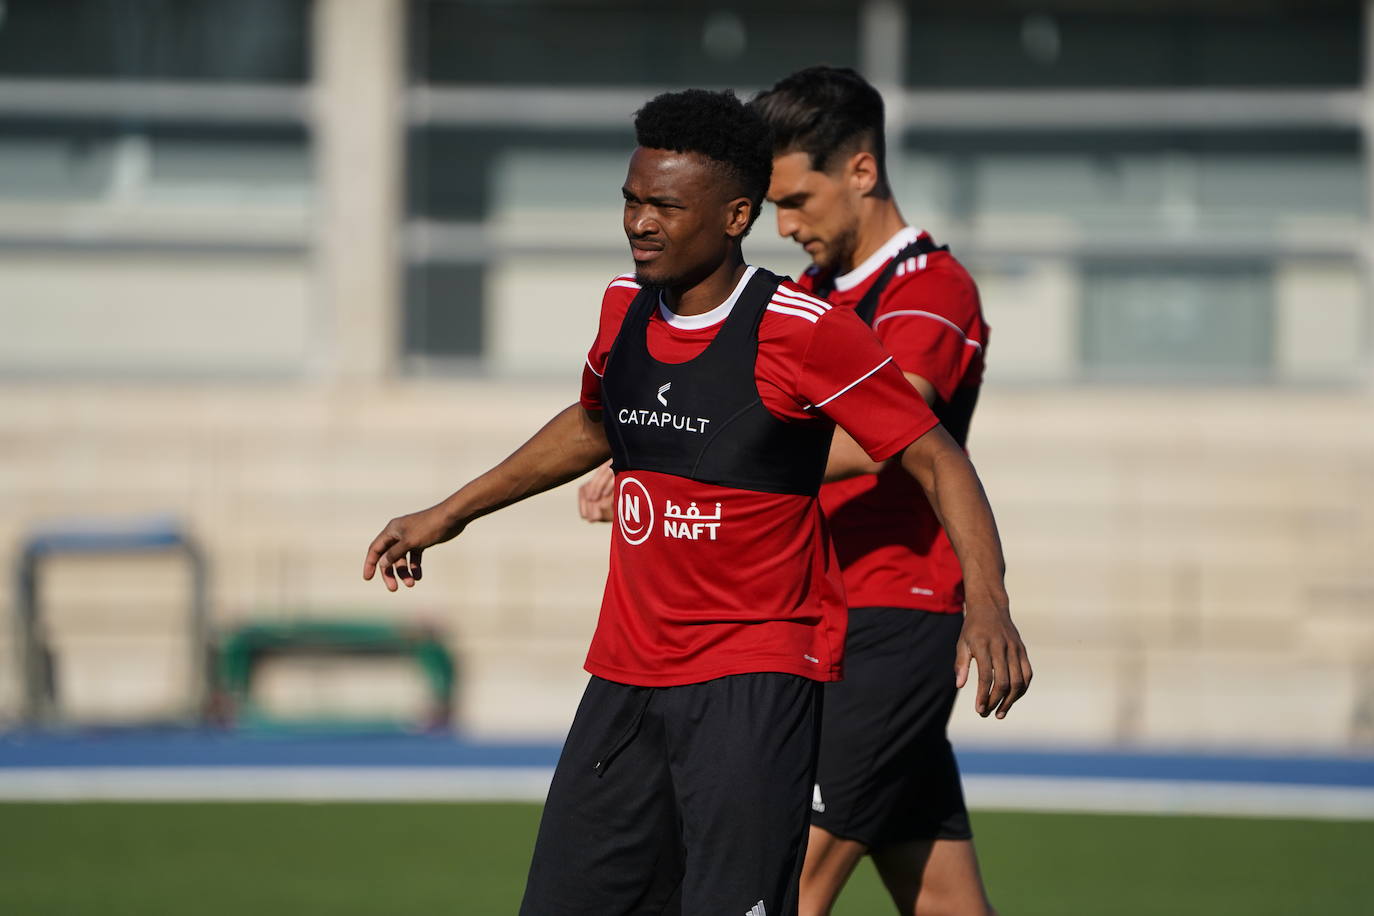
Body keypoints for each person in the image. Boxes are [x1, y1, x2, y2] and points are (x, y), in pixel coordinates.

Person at [367, 88, 1027, 916]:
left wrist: (989, 604)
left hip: (756, 679)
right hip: (625, 676)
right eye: (631, 201)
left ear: (733, 215)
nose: (640, 222)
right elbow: (592, 422)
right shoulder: (622, 309)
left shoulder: (804, 324)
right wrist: (449, 513)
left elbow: (932, 452)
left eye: (666, 206)